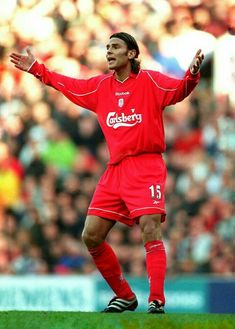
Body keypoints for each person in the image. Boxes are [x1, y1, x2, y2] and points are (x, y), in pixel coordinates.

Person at [10, 32, 204, 314]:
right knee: (91, 236)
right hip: (115, 170)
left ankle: (157, 301)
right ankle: (125, 295)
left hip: (146, 165)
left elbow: (178, 91)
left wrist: (191, 75)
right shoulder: (100, 87)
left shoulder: (150, 81)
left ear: (132, 54)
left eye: (115, 47)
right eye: (107, 47)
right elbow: (68, 84)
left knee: (150, 229)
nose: (109, 52)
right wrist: (37, 68)